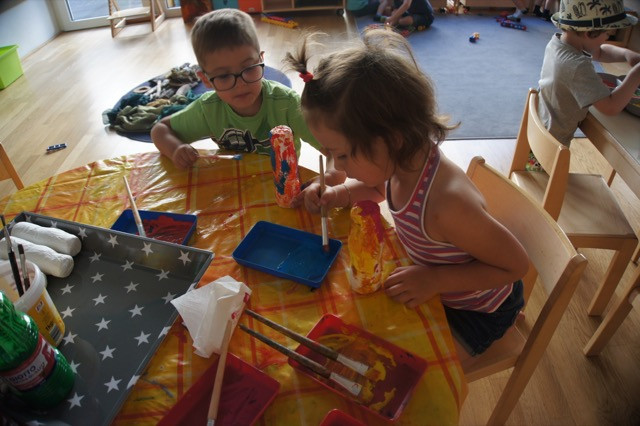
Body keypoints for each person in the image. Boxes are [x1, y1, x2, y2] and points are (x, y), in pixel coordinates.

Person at [284, 29, 529, 364]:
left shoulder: (447, 205)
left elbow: (514, 265)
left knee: (402, 366)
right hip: (433, 280)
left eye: (341, 155)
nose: (337, 166)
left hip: (478, 309)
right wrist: (337, 194)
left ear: (392, 140)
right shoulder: (397, 164)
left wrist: (435, 279)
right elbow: (375, 189)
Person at [150, 9, 344, 190]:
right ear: (206, 80)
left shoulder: (287, 105)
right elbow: (160, 130)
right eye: (224, 76)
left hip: (283, 189)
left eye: (249, 68)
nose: (240, 84)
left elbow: (338, 152)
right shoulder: (208, 109)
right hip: (235, 189)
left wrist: (329, 178)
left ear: (261, 60)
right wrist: (176, 149)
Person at [539, 0, 640, 146]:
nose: (607, 38)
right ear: (589, 33)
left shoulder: (559, 44)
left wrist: (626, 54)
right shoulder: (576, 66)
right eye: (607, 34)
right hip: (552, 148)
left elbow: (599, 52)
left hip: (543, 134)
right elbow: (611, 107)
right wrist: (636, 74)